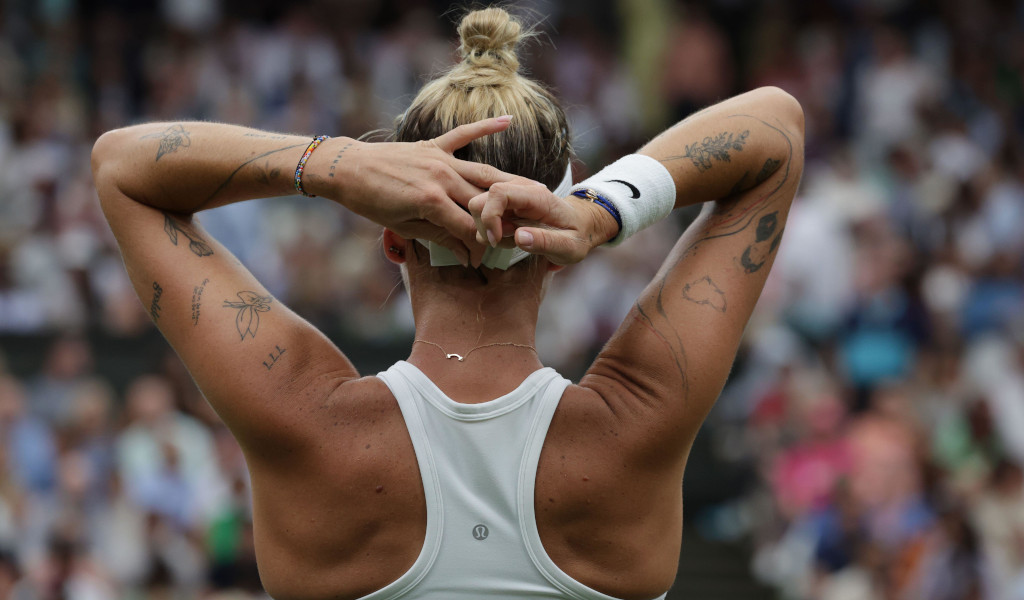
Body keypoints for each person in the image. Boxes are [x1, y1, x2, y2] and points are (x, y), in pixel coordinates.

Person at [91, 7, 803, 600]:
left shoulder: (306, 420)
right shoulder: (630, 427)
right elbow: (775, 126)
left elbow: (122, 168)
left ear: (393, 244)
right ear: (552, 251)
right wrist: (601, 210)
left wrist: (338, 164)